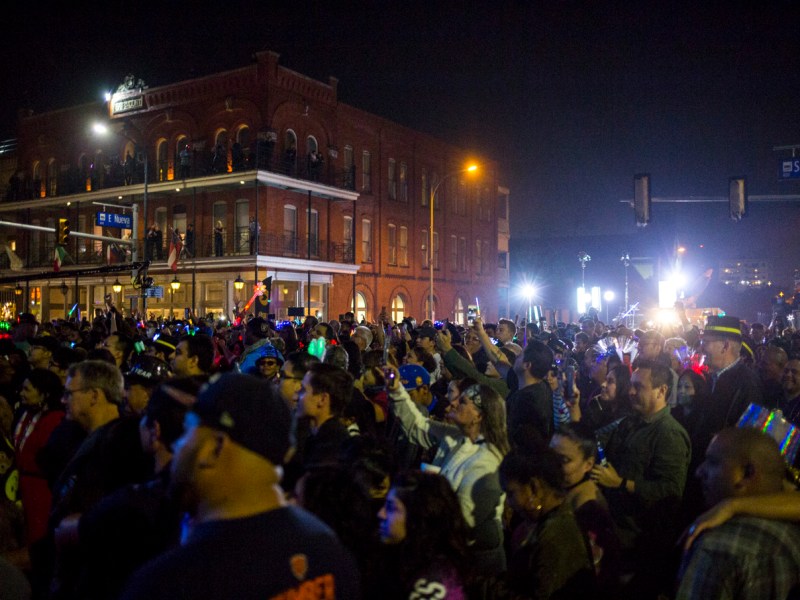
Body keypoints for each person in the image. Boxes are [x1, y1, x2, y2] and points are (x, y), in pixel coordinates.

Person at [119, 372, 361, 599]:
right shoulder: (329, 553)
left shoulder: (172, 583)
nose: (179, 446)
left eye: (189, 431)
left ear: (216, 448)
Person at [388, 370, 509, 576]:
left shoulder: (487, 462)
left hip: (474, 564)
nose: (452, 403)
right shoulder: (456, 437)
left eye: (462, 402)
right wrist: (396, 390)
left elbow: (462, 519)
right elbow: (419, 426)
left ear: (479, 416)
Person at [590, 358, 690, 598]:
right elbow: (596, 439)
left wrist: (622, 484)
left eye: (639, 387)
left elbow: (670, 491)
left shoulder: (669, 434)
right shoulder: (631, 422)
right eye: (631, 385)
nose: (631, 391)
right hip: (615, 533)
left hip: (639, 544)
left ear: (662, 391)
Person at [676, 427, 800, 599]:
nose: (698, 472)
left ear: (747, 473)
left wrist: (731, 505)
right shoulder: (792, 535)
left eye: (713, 462)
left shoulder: (718, 547)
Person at [497, 447, 597, 599]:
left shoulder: (556, 537)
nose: (508, 502)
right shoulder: (554, 523)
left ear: (533, 488)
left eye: (511, 493)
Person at [377, 470, 471, 600]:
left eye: (391, 508)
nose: (381, 514)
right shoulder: (414, 561)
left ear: (417, 517)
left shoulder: (432, 583)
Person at [13, 369, 64, 547]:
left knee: (36, 537)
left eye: (27, 390)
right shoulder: (25, 414)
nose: (22, 394)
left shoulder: (56, 420)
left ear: (44, 393)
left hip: (39, 491)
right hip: (19, 485)